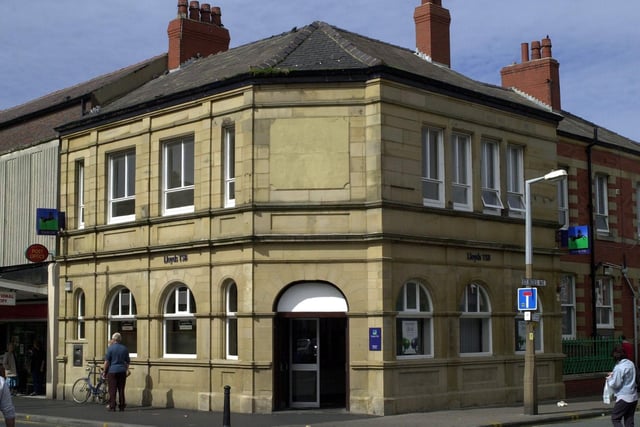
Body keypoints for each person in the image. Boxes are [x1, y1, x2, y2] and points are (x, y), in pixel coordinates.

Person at [606, 344, 638, 427]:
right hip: (634, 396)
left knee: (615, 418)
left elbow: (616, 384)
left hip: (624, 397)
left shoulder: (619, 367)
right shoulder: (631, 363)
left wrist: (609, 379)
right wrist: (614, 374)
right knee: (629, 420)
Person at [104, 332, 130, 412]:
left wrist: (105, 371)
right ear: (120, 339)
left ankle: (112, 406)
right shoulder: (124, 348)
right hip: (122, 371)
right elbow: (127, 362)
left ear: (113, 339)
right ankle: (122, 406)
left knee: (112, 390)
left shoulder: (110, 348)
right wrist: (126, 369)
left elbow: (107, 362)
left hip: (112, 371)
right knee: (121, 389)